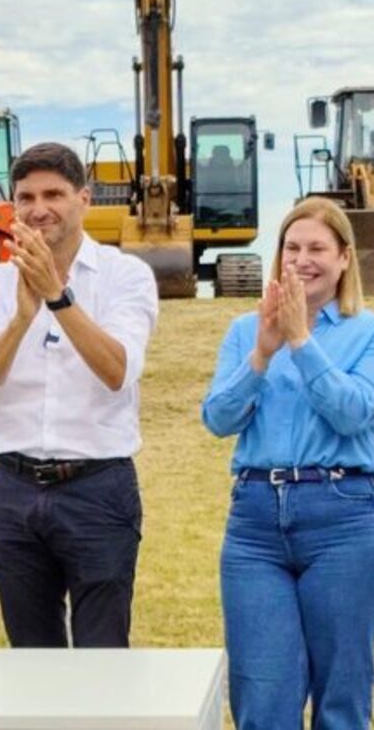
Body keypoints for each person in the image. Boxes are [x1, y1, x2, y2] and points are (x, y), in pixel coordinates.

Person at [0, 142, 158, 647]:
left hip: (96, 488)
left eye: (54, 194)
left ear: (84, 199)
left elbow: (118, 370)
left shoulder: (125, 276)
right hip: (13, 488)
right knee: (31, 655)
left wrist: (57, 297)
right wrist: (24, 318)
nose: (37, 208)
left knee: (101, 652)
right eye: (26, 196)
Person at [202, 196, 374, 730]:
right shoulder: (243, 331)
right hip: (255, 522)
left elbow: (353, 414)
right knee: (262, 693)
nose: (303, 258)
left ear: (344, 258)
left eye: (317, 248)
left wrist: (301, 340)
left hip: (343, 517)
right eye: (291, 247)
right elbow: (218, 418)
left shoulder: (366, 333)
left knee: (342, 694)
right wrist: (262, 353)